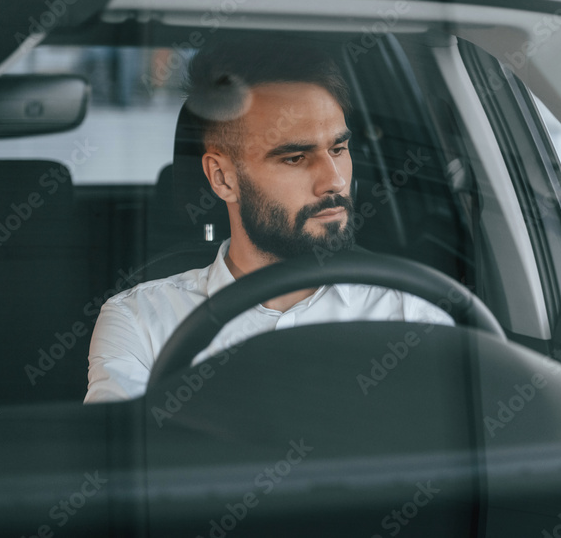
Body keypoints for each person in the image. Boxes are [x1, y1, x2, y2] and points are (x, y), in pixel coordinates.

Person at [84, 37, 453, 403]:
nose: (336, 181)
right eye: (294, 157)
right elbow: (121, 459)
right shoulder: (141, 323)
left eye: (338, 149)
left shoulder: (410, 317)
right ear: (223, 178)